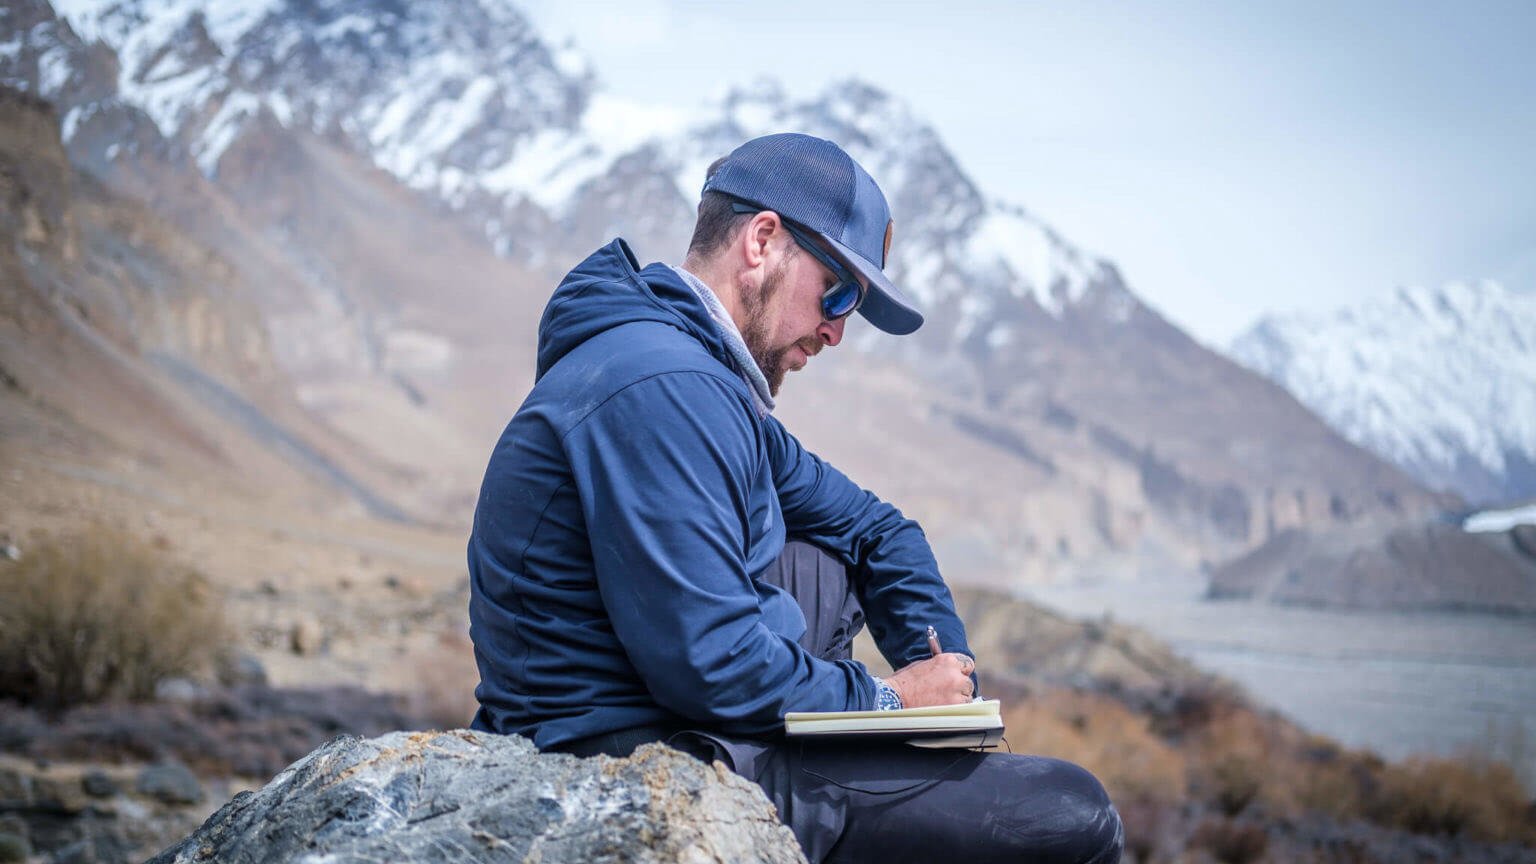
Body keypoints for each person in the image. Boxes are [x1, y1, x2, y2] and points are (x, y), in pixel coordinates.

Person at [467, 133, 1123, 863]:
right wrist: (890, 701)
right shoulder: (664, 388)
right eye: (837, 290)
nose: (838, 330)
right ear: (763, 240)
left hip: (684, 719)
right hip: (629, 756)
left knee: (824, 559)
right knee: (1077, 814)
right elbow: (711, 661)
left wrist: (952, 687)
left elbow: (877, 530)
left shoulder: (699, 383)